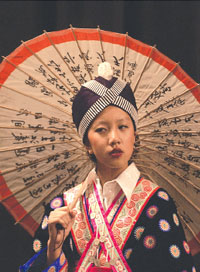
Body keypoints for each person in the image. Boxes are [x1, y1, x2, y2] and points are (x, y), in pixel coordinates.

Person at [19, 62, 196, 272]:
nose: (114, 138)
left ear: (134, 135)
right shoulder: (63, 207)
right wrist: (53, 250)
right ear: (87, 144)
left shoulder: (157, 203)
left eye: (123, 127)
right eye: (102, 130)